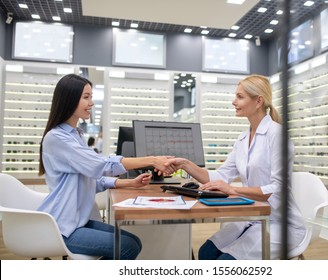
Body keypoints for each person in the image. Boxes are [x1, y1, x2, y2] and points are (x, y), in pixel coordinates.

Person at [166, 74, 307, 260]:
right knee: (205, 253)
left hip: (282, 224)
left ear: (258, 101)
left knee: (225, 263)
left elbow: (276, 189)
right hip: (255, 217)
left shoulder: (277, 135)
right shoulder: (242, 138)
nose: (234, 102)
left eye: (240, 97)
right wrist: (184, 164)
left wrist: (233, 189)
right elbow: (221, 176)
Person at [38, 74, 174, 260]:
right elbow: (99, 165)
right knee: (126, 247)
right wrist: (151, 160)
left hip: (80, 221)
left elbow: (92, 180)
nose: (91, 102)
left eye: (91, 97)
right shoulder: (57, 138)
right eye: (86, 97)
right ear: (69, 99)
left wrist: (130, 184)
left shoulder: (75, 135)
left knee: (134, 242)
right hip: (63, 227)